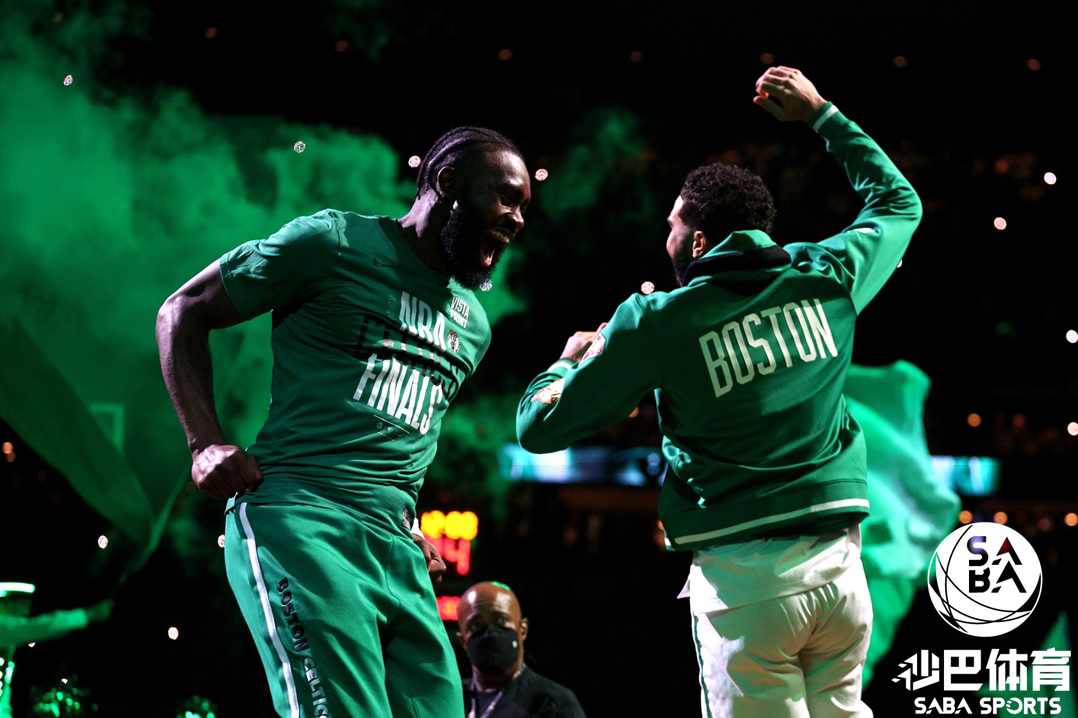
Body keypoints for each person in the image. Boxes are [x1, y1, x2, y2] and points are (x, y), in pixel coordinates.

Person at [516, 66, 921, 717]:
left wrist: (563, 367)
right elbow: (900, 203)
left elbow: (538, 431)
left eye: (673, 225)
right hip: (844, 578)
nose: (667, 237)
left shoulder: (657, 321)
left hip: (746, 585)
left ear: (699, 240)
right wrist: (822, 114)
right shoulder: (828, 274)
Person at [157, 127, 531, 718]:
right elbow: (183, 311)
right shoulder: (332, 241)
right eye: (506, 197)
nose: (517, 218)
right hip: (302, 521)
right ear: (448, 181)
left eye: (524, 206)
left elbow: (398, 437)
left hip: (397, 550)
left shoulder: (472, 326)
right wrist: (204, 443)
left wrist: (405, 519)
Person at [457, 581, 586, 718]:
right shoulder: (450, 697)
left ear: (523, 629)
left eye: (501, 620)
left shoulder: (553, 703)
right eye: (476, 625)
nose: (489, 633)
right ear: (463, 641)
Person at [0, 582, 112, 718]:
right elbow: (40, 627)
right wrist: (88, 615)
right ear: (5, 602)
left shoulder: (8, 644)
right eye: (22, 603)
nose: (26, 610)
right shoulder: (2, 628)